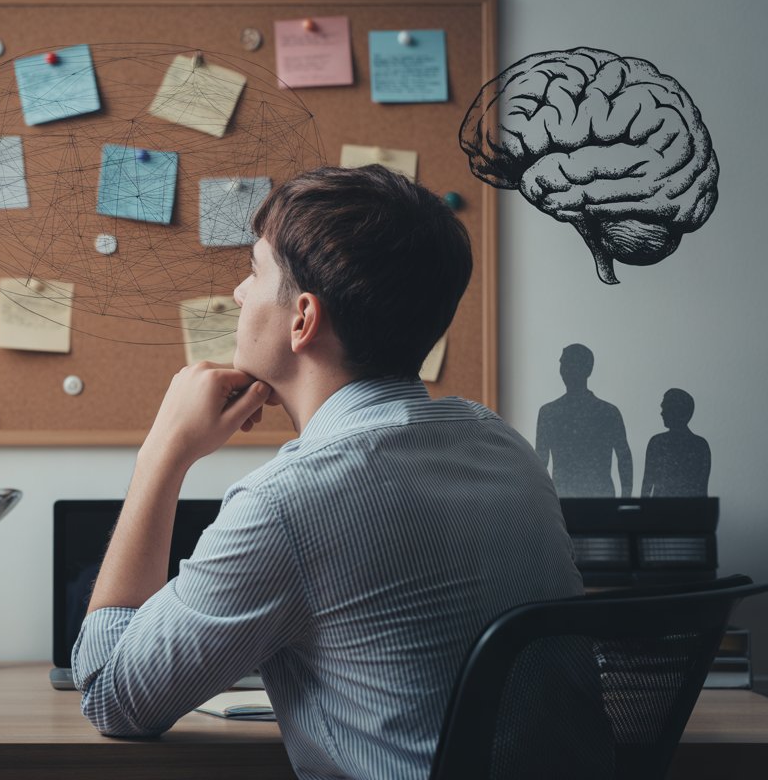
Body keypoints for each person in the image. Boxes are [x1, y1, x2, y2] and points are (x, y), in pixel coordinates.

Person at [72, 166, 584, 779]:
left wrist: (162, 454)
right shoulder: (504, 446)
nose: (238, 292)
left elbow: (111, 694)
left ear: (303, 319)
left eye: (255, 271)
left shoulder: (288, 502)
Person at [535, 343, 634, 497]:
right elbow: (541, 463)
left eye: (568, 364)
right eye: (563, 364)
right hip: (571, 499)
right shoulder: (607, 412)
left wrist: (626, 498)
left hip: (588, 499)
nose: (564, 370)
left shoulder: (608, 413)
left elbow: (624, 457)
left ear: (586, 369)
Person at [641, 388, 711, 497]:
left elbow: (647, 486)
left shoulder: (657, 443)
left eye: (666, 408)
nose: (662, 413)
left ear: (677, 411)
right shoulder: (700, 445)